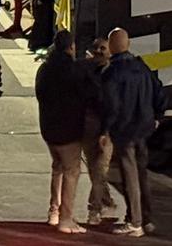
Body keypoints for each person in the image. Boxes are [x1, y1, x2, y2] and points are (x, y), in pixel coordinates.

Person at [103, 28, 166, 238]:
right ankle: (147, 219)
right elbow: (159, 91)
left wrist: (106, 130)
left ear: (111, 48)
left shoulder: (112, 73)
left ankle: (134, 222)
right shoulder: (143, 67)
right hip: (144, 127)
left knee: (129, 176)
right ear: (128, 45)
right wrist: (158, 116)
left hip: (125, 130)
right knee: (141, 174)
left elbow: (110, 106)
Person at [35, 29, 96, 234]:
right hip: (69, 129)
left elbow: (40, 94)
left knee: (58, 167)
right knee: (72, 171)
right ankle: (66, 218)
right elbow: (90, 95)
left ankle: (53, 210)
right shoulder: (75, 71)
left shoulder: (44, 69)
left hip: (48, 128)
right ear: (71, 47)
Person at [82, 37, 119, 227]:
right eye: (97, 48)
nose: (98, 51)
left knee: (96, 169)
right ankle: (101, 205)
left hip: (95, 127)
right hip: (95, 126)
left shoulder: (107, 73)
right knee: (97, 170)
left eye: (102, 48)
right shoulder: (99, 72)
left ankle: (99, 204)